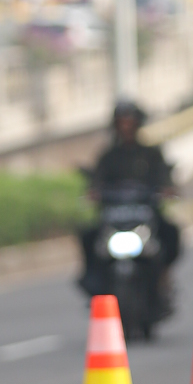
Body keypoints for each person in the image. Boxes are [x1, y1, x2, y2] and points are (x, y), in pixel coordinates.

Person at [81, 100, 181, 286]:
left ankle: (163, 275)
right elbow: (97, 181)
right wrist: (93, 192)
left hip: (145, 213)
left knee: (170, 232)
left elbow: (164, 176)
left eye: (129, 122)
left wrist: (166, 190)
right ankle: (93, 278)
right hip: (114, 215)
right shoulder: (108, 156)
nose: (125, 127)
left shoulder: (151, 155)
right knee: (88, 235)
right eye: (121, 123)